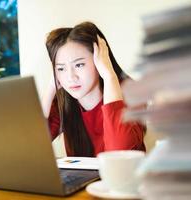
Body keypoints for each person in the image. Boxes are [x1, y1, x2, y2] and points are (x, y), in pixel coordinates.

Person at [42, 21, 145, 157]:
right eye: (61, 68)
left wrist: (109, 76)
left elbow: (119, 153)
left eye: (79, 65)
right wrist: (51, 89)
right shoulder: (63, 101)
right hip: (83, 178)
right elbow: (30, 147)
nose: (70, 77)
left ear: (101, 60)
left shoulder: (131, 93)